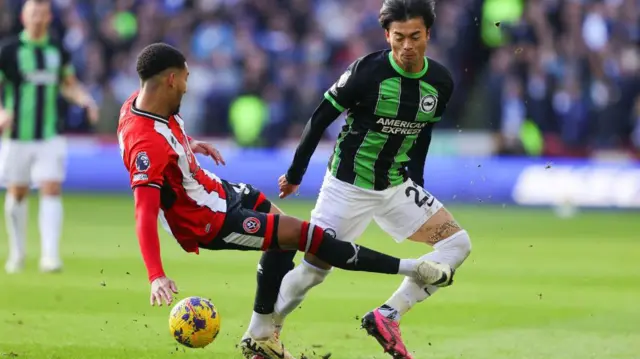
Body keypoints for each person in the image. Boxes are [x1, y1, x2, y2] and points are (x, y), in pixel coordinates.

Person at [117, 42, 453, 359]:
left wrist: (189, 144)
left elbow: (164, 137)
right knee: (304, 235)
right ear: (171, 79)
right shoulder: (145, 145)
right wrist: (156, 275)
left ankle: (261, 335)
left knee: (282, 237)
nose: (188, 87)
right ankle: (411, 267)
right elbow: (144, 213)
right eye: (186, 79)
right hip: (206, 220)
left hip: (218, 191)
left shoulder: (142, 102)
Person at [245, 0, 472, 358]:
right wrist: (295, 174)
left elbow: (421, 134)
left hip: (395, 186)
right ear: (387, 35)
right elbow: (320, 118)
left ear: (429, 33)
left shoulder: (440, 82)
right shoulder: (367, 72)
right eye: (399, 38)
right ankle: (260, 332)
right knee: (314, 272)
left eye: (415, 36)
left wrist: (419, 182)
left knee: (458, 245)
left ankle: (387, 316)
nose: (407, 46)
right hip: (346, 188)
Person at [0, 0, 99, 274]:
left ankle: (50, 256)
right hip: (16, 135)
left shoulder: (57, 49)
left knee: (51, 188)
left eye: (42, 13)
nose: (38, 18)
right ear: (24, 16)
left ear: (48, 16)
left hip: (50, 133)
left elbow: (68, 84)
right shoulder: (9, 51)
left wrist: (84, 100)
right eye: (33, 13)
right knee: (17, 192)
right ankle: (18, 252)